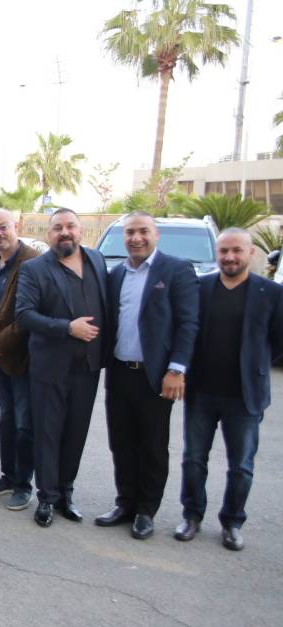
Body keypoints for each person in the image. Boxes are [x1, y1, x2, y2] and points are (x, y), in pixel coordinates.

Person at [175, 228, 283, 551]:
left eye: (237, 250)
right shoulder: (201, 287)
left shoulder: (271, 293)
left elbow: (277, 341)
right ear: (217, 254)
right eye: (224, 251)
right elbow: (187, 330)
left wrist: (256, 365)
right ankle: (191, 516)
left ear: (251, 253)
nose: (230, 257)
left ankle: (232, 522)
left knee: (241, 466)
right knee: (193, 460)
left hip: (245, 396)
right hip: (202, 393)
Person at [95, 212, 199, 539]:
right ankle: (125, 503)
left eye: (143, 231)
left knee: (152, 446)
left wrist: (176, 369)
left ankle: (145, 510)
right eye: (130, 232)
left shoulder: (176, 270)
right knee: (121, 442)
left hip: (155, 377)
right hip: (120, 373)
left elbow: (188, 323)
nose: (136, 238)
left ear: (156, 235)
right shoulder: (116, 274)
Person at [15, 208, 109, 528]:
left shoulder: (97, 260)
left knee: (75, 433)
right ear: (49, 234)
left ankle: (66, 493)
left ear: (81, 231)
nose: (64, 232)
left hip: (88, 367)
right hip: (50, 368)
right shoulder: (34, 269)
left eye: (70, 226)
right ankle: (46, 497)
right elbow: (24, 315)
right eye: (57, 228)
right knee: (47, 434)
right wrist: (68, 327)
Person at [0, 209, 41, 511]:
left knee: (24, 423)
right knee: (7, 419)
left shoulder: (32, 262)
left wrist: (0, 343)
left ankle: (23, 484)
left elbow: (29, 314)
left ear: (17, 226)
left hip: (20, 356)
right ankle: (8, 475)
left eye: (3, 227)